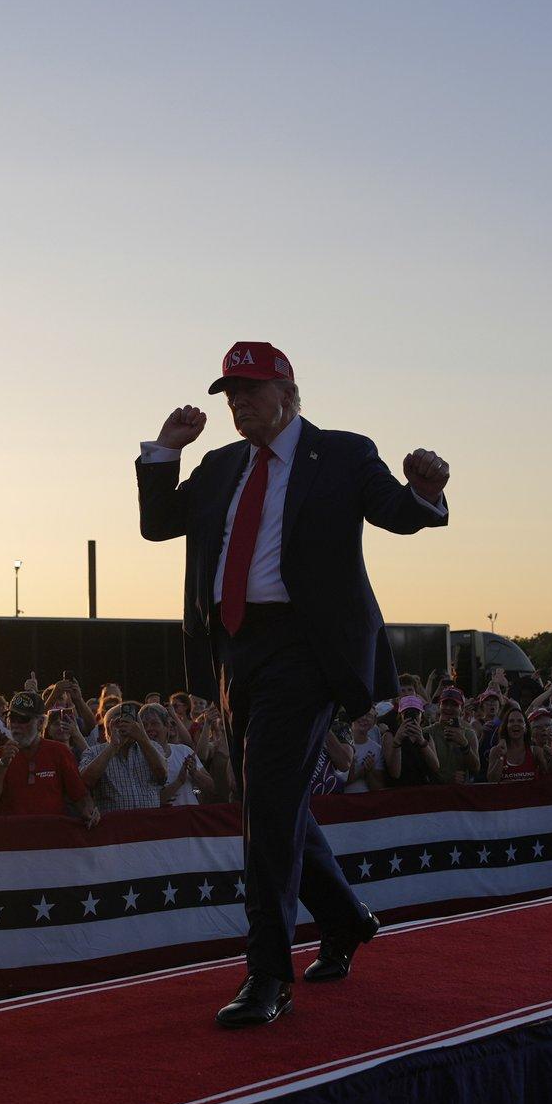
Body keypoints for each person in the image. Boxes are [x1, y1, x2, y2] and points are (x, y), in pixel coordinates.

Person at [136, 341, 450, 1026]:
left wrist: (426, 491)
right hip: (233, 648)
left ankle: (268, 973)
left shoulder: (341, 453)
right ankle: (344, 917)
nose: (239, 403)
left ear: (288, 390)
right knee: (267, 803)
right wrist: (165, 452)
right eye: (230, 393)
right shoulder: (221, 466)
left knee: (269, 808)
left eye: (251, 389)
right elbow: (159, 524)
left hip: (305, 651)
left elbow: (399, 512)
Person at [0, 691, 97, 820]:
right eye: (12, 718)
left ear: (41, 723)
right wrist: (3, 765)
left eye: (23, 719)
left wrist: (89, 811)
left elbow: (80, 796)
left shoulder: (59, 752)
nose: (16, 725)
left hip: (51, 835)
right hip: (13, 836)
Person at [79, 699, 172, 811]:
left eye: (127, 722)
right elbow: (85, 782)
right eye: (116, 723)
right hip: (115, 824)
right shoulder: (93, 752)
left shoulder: (152, 747)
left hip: (148, 823)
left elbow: (162, 776)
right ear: (106, 729)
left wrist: (141, 737)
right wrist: (113, 746)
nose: (123, 727)